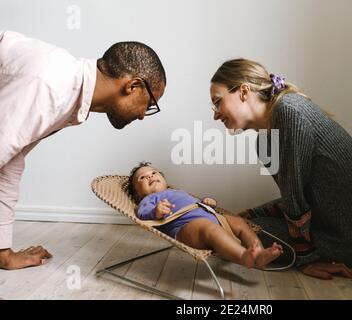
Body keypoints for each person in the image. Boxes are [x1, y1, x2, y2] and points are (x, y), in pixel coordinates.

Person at [0, 31, 166, 270]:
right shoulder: (51, 87)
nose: (142, 116)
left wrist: (4, 254)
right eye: (149, 105)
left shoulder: (67, 92)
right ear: (133, 85)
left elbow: (9, 164)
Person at [209, 58, 352, 280]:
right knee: (236, 222)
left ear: (244, 92)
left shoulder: (290, 112)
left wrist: (304, 259)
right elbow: (295, 199)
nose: (215, 114)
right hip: (325, 224)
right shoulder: (263, 143)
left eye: (217, 102)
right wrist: (251, 214)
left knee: (228, 233)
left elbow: (294, 202)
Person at [128, 162, 283, 269]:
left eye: (153, 172)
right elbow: (141, 214)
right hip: (185, 229)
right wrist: (155, 211)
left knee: (239, 222)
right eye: (142, 177)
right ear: (138, 195)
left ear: (164, 180)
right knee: (209, 229)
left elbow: (196, 203)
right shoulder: (147, 200)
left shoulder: (176, 191)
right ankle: (243, 256)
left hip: (212, 217)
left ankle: (260, 254)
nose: (150, 176)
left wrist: (207, 202)